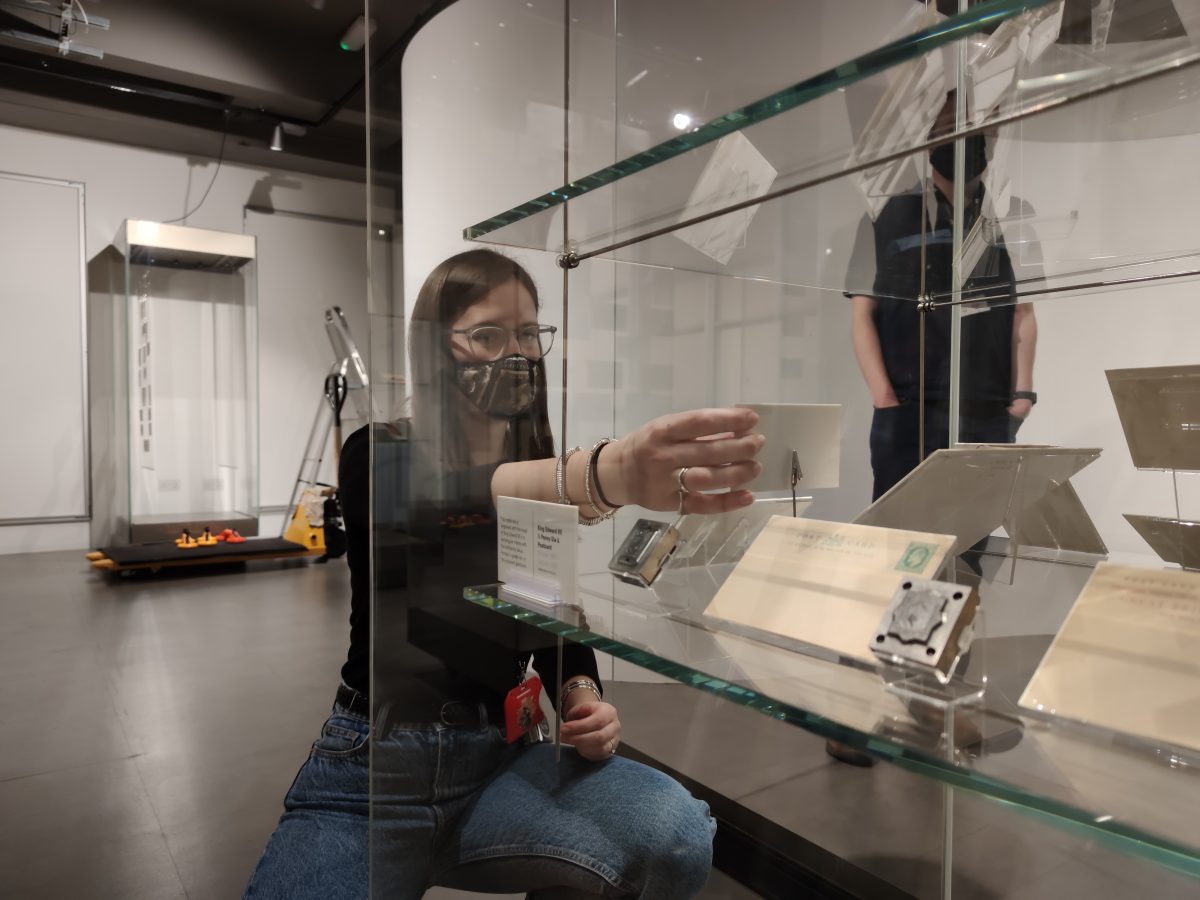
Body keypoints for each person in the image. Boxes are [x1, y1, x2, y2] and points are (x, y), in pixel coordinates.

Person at [245, 248, 764, 899]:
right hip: (374, 777)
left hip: (499, 761)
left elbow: (544, 601)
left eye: (526, 334)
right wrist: (606, 474)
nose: (512, 354)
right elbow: (436, 499)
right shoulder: (375, 453)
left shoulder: (534, 467)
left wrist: (581, 693)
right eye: (486, 335)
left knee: (676, 833)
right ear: (438, 348)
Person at [849, 94, 1038, 502]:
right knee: (898, 533)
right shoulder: (885, 216)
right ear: (930, 137)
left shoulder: (1012, 215)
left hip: (987, 406)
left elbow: (1023, 309)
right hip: (906, 406)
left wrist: (1022, 395)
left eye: (983, 129)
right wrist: (885, 398)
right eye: (952, 127)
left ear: (996, 136)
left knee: (974, 536)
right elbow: (863, 312)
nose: (968, 138)